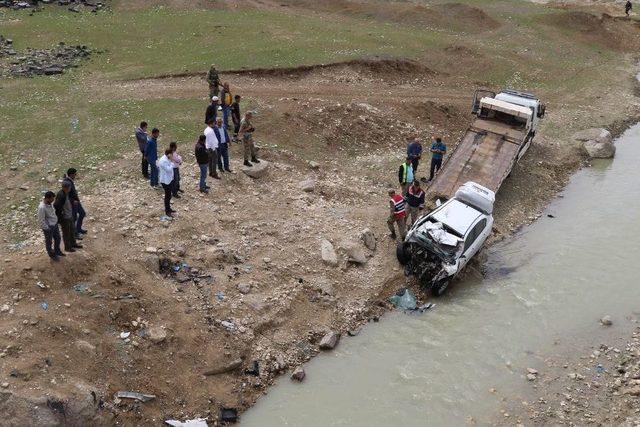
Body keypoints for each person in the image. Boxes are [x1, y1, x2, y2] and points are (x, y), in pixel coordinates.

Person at [54, 181, 82, 252]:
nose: (70, 188)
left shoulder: (66, 193)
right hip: (65, 218)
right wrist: (62, 216)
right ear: (66, 188)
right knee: (66, 233)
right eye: (69, 187)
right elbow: (56, 206)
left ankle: (73, 243)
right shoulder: (61, 195)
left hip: (69, 215)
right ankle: (67, 247)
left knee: (72, 231)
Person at [37, 191, 64, 260]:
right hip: (49, 227)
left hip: (54, 224)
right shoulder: (42, 208)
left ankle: (57, 251)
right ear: (47, 198)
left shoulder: (50, 203)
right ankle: (52, 255)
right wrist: (47, 228)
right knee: (49, 242)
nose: (53, 201)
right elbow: (41, 220)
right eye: (52, 199)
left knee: (58, 238)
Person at [63, 168, 87, 238]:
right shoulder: (67, 182)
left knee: (82, 213)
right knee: (74, 218)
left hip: (76, 202)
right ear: (71, 174)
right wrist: (73, 201)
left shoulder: (69, 181)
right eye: (75, 174)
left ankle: (78, 229)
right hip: (73, 203)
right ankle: (75, 233)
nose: (76, 176)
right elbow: (66, 195)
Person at [158, 148, 176, 217]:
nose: (172, 156)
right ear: (169, 154)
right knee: (167, 196)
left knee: (169, 195)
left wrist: (171, 163)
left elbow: (172, 166)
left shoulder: (167, 158)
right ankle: (167, 211)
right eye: (171, 154)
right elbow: (168, 169)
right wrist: (171, 162)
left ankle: (169, 208)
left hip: (169, 179)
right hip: (165, 181)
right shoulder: (163, 161)